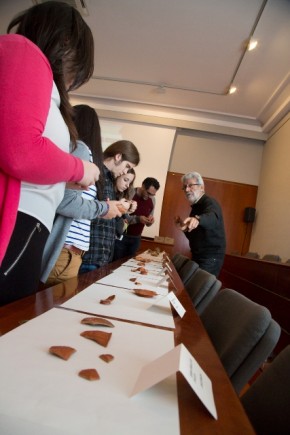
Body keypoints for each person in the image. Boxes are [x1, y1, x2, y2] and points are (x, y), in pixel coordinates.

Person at [0, 2, 99, 305]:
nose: (73, 81)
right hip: (18, 219)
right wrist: (81, 169)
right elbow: (19, 152)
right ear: (65, 43)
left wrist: (62, 178)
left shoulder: (38, 76)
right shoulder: (24, 52)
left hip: (28, 223)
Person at [40, 105, 125, 287]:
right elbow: (66, 202)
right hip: (65, 252)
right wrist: (103, 208)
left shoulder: (76, 150)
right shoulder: (81, 149)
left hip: (69, 252)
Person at [80, 141, 140, 273]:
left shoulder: (109, 179)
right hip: (91, 254)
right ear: (118, 157)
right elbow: (85, 208)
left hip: (102, 255)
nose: (125, 171)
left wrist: (122, 209)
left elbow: (106, 213)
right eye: (127, 166)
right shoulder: (96, 173)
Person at [174, 171, 226, 277]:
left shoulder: (210, 202)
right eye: (184, 187)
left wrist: (198, 219)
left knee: (196, 291)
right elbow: (196, 237)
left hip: (210, 257)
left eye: (190, 186)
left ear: (201, 187)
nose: (187, 190)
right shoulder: (196, 206)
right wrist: (185, 229)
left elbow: (213, 217)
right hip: (198, 255)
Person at [113, 177, 160, 260]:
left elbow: (149, 220)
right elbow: (123, 215)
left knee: (129, 265)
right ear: (143, 186)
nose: (150, 196)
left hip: (136, 239)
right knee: (115, 263)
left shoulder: (152, 199)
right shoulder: (130, 193)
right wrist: (138, 219)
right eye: (148, 193)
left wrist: (150, 221)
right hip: (122, 236)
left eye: (153, 194)